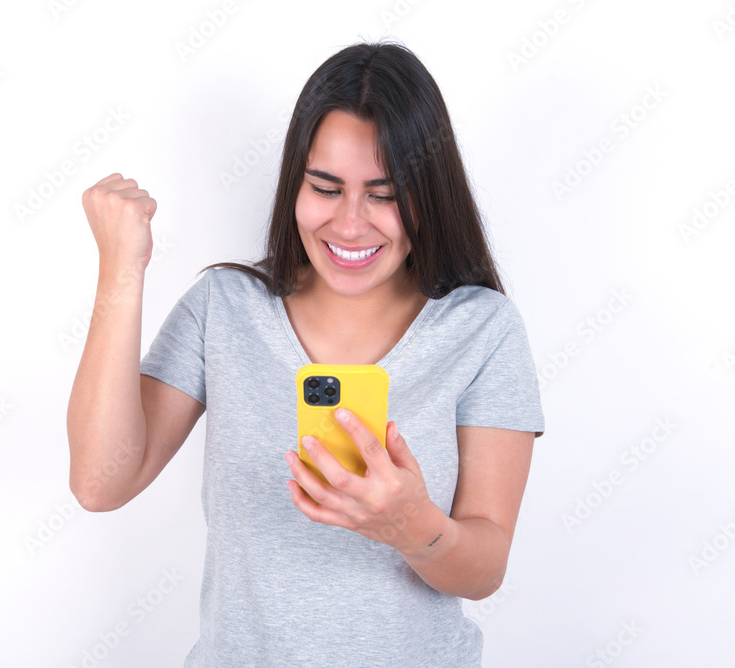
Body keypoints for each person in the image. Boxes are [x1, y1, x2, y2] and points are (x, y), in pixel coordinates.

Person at [67, 41, 544, 667]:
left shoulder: (481, 328)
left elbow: (485, 569)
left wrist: (414, 528)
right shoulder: (224, 309)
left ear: (429, 194)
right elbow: (101, 483)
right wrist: (121, 269)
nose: (350, 225)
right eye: (325, 187)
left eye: (384, 193)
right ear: (295, 184)